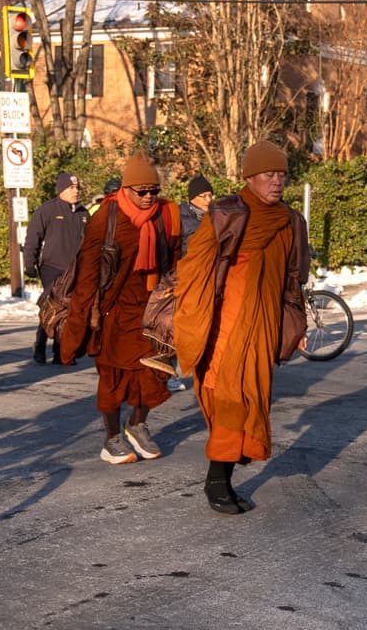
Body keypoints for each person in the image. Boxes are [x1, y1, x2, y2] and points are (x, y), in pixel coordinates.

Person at [174, 141, 309, 514]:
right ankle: (216, 482)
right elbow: (194, 267)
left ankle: (224, 478)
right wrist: (195, 318)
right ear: (250, 177)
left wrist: (295, 324)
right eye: (269, 174)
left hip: (263, 325)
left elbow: (293, 279)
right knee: (231, 400)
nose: (277, 181)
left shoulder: (290, 220)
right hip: (225, 327)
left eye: (282, 174)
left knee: (251, 399)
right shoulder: (227, 213)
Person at [59, 153, 180, 464]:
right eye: (142, 191)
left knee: (156, 372)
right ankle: (111, 437)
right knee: (113, 378)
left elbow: (176, 261)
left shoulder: (167, 214)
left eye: (153, 190)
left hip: (152, 309)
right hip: (113, 310)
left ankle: (137, 424)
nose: (149, 197)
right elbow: (88, 268)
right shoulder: (107, 215)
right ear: (126, 189)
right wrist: (88, 314)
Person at [23, 171, 89, 365]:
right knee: (52, 306)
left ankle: (62, 352)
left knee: (69, 310)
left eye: (77, 187)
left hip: (74, 269)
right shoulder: (47, 210)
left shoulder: (83, 213)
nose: (75, 191)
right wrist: (29, 263)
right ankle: (40, 347)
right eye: (71, 188)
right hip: (52, 267)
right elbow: (32, 239)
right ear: (61, 190)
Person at [178, 175, 214, 257]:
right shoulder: (179, 218)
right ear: (192, 197)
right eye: (204, 196)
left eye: (210, 196)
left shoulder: (216, 216)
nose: (208, 200)